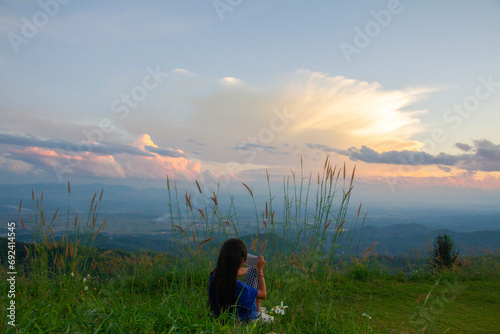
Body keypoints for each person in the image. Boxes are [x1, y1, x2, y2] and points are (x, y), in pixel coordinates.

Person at [208, 238, 274, 323]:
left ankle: (258, 313)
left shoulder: (215, 275)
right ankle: (258, 315)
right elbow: (263, 294)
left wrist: (254, 268)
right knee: (255, 280)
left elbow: (238, 271)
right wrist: (260, 271)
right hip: (243, 317)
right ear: (240, 262)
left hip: (221, 314)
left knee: (253, 272)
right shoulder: (239, 287)